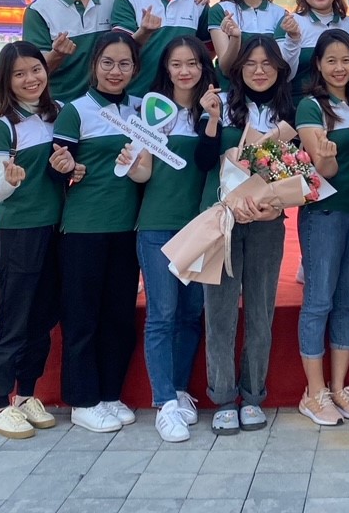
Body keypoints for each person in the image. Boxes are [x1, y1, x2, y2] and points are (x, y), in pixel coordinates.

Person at [49, 30, 151, 433]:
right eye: (107, 62)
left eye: (124, 64)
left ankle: (109, 393)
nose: (115, 71)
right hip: (83, 229)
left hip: (128, 229)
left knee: (119, 316)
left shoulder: (141, 109)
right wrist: (65, 168)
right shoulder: (76, 111)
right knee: (82, 317)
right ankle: (82, 400)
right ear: (93, 65)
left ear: (135, 69)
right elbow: (57, 168)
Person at [199, 35, 295, 436]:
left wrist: (276, 205)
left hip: (267, 221)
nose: (259, 70)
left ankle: (253, 394)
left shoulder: (288, 111)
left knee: (260, 309)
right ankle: (223, 397)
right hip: (220, 219)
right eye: (251, 63)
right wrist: (211, 121)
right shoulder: (220, 103)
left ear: (280, 69)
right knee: (219, 311)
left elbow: (296, 171)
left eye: (267, 63)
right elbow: (203, 161)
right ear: (238, 69)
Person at [135, 36, 220, 443]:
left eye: (192, 63)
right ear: (165, 69)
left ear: (204, 67)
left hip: (200, 228)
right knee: (162, 314)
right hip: (156, 225)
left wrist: (212, 118)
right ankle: (164, 401)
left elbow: (208, 161)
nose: (185, 71)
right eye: (176, 64)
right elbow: (142, 173)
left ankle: (181, 389)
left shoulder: (212, 109)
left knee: (189, 313)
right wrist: (131, 162)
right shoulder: (152, 110)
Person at [0, 41, 64, 439]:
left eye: (36, 69)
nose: (31, 79)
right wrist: (10, 181)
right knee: (10, 321)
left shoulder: (57, 113)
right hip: (16, 234)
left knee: (41, 319)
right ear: (6, 80)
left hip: (55, 230)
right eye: (19, 74)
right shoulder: (2, 125)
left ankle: (26, 395)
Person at [295, 29, 349, 426]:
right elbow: (321, 171)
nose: (339, 67)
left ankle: (339, 387)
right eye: (331, 60)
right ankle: (314, 392)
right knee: (319, 302)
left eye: (345, 60)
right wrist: (326, 158)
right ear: (319, 65)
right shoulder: (311, 107)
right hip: (325, 215)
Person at [207, 0, 302, 88]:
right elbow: (226, 69)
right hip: (231, 96)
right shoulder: (220, 11)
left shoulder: (280, 14)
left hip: (270, 97)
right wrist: (235, 38)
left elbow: (283, 69)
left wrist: (294, 38)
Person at [289, 0, 349, 105]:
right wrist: (292, 40)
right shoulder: (291, 23)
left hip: (346, 109)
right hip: (300, 108)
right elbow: (283, 72)